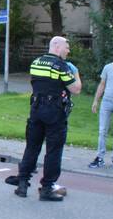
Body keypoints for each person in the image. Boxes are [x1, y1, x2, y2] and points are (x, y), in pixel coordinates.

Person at [5, 36, 82, 201]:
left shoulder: (36, 62)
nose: (68, 50)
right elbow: (75, 89)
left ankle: (23, 184)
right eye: (66, 47)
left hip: (36, 109)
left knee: (32, 147)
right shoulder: (61, 66)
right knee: (53, 151)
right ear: (56, 46)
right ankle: (47, 188)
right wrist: (75, 72)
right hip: (55, 112)